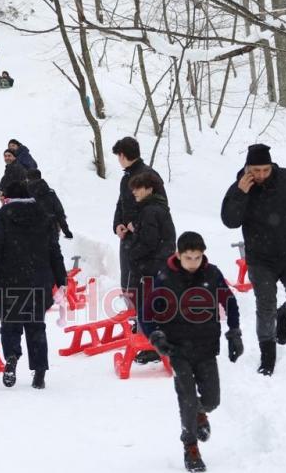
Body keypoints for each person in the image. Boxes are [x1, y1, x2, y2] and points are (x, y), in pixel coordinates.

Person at [141, 231, 244, 473]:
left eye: (197, 257)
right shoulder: (164, 277)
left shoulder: (212, 274)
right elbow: (146, 313)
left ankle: (200, 413)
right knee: (186, 398)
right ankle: (190, 447)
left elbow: (229, 302)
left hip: (206, 347)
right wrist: (156, 336)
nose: (193, 263)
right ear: (178, 255)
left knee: (212, 401)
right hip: (177, 348)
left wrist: (234, 333)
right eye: (188, 257)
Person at [221, 144, 286, 376]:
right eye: (256, 170)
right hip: (260, 260)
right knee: (265, 307)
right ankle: (267, 355)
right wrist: (240, 194)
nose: (261, 175)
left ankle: (285, 315)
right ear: (247, 168)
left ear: (271, 166)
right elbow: (230, 221)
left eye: (265, 170)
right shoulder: (239, 187)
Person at [0, 181, 67, 390]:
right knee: (36, 326)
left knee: (10, 323)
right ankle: (39, 372)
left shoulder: (2, 216)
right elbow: (54, 251)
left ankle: (11, 356)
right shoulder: (45, 216)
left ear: (9, 196)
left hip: (9, 278)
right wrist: (61, 280)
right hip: (38, 279)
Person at [127, 171, 175, 364]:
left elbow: (149, 241)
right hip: (159, 264)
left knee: (151, 307)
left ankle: (154, 347)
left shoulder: (150, 210)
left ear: (149, 189)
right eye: (133, 189)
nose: (134, 192)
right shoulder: (155, 208)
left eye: (138, 188)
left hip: (154, 266)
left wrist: (133, 253)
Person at [112, 137, 167, 291]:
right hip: (128, 238)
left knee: (143, 284)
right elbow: (120, 204)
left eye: (118, 156)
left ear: (122, 155)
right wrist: (118, 224)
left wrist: (136, 225)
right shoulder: (126, 178)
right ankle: (130, 303)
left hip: (147, 238)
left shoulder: (150, 176)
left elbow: (161, 208)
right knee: (127, 283)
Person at [26, 169, 73, 240]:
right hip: (51, 228)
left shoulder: (26, 193)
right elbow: (59, 212)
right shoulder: (50, 192)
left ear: (28, 179)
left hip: (32, 230)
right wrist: (66, 231)